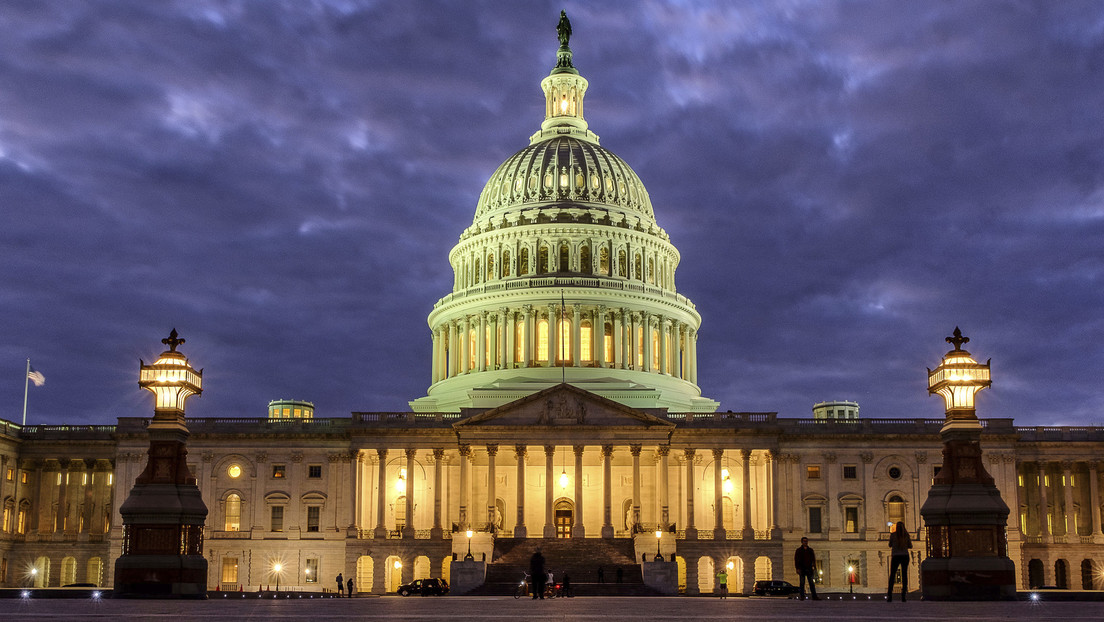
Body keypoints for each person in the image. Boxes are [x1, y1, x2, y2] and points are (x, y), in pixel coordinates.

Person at [887, 521, 913, 602]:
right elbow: (910, 545)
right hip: (905, 555)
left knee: (892, 575)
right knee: (904, 575)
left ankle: (889, 595)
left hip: (896, 556)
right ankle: (903, 595)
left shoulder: (893, 535)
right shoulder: (906, 535)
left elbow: (890, 545)